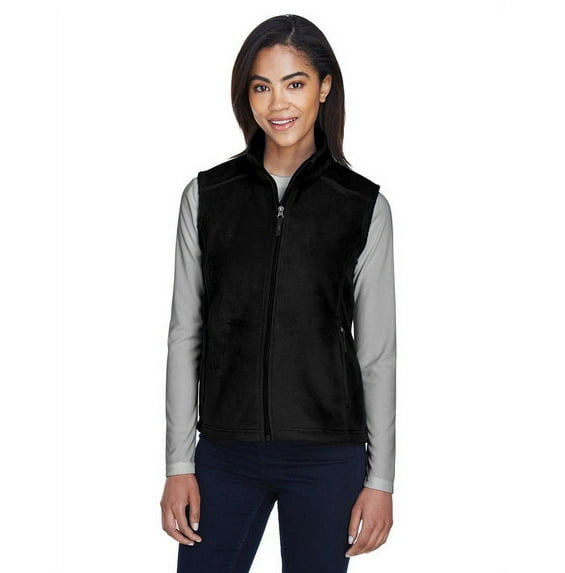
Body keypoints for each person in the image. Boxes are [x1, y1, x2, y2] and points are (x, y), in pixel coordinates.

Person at [160, 14, 397, 573]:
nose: (277, 103)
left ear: (324, 87)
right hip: (224, 454)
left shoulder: (363, 206)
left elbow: (377, 355)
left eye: (295, 83)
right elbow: (185, 335)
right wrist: (178, 464)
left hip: (327, 458)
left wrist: (381, 479)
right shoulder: (207, 197)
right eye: (261, 86)